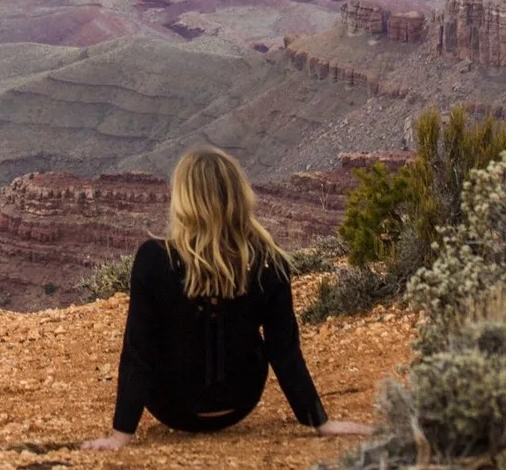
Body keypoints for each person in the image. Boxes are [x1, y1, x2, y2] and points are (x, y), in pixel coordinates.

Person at [81, 147, 371, 450]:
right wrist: (319, 421)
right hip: (239, 403)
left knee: (157, 338)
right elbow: (284, 351)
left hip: (173, 408)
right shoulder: (268, 261)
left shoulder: (154, 259)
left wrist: (120, 435)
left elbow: (138, 352)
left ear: (185, 199)